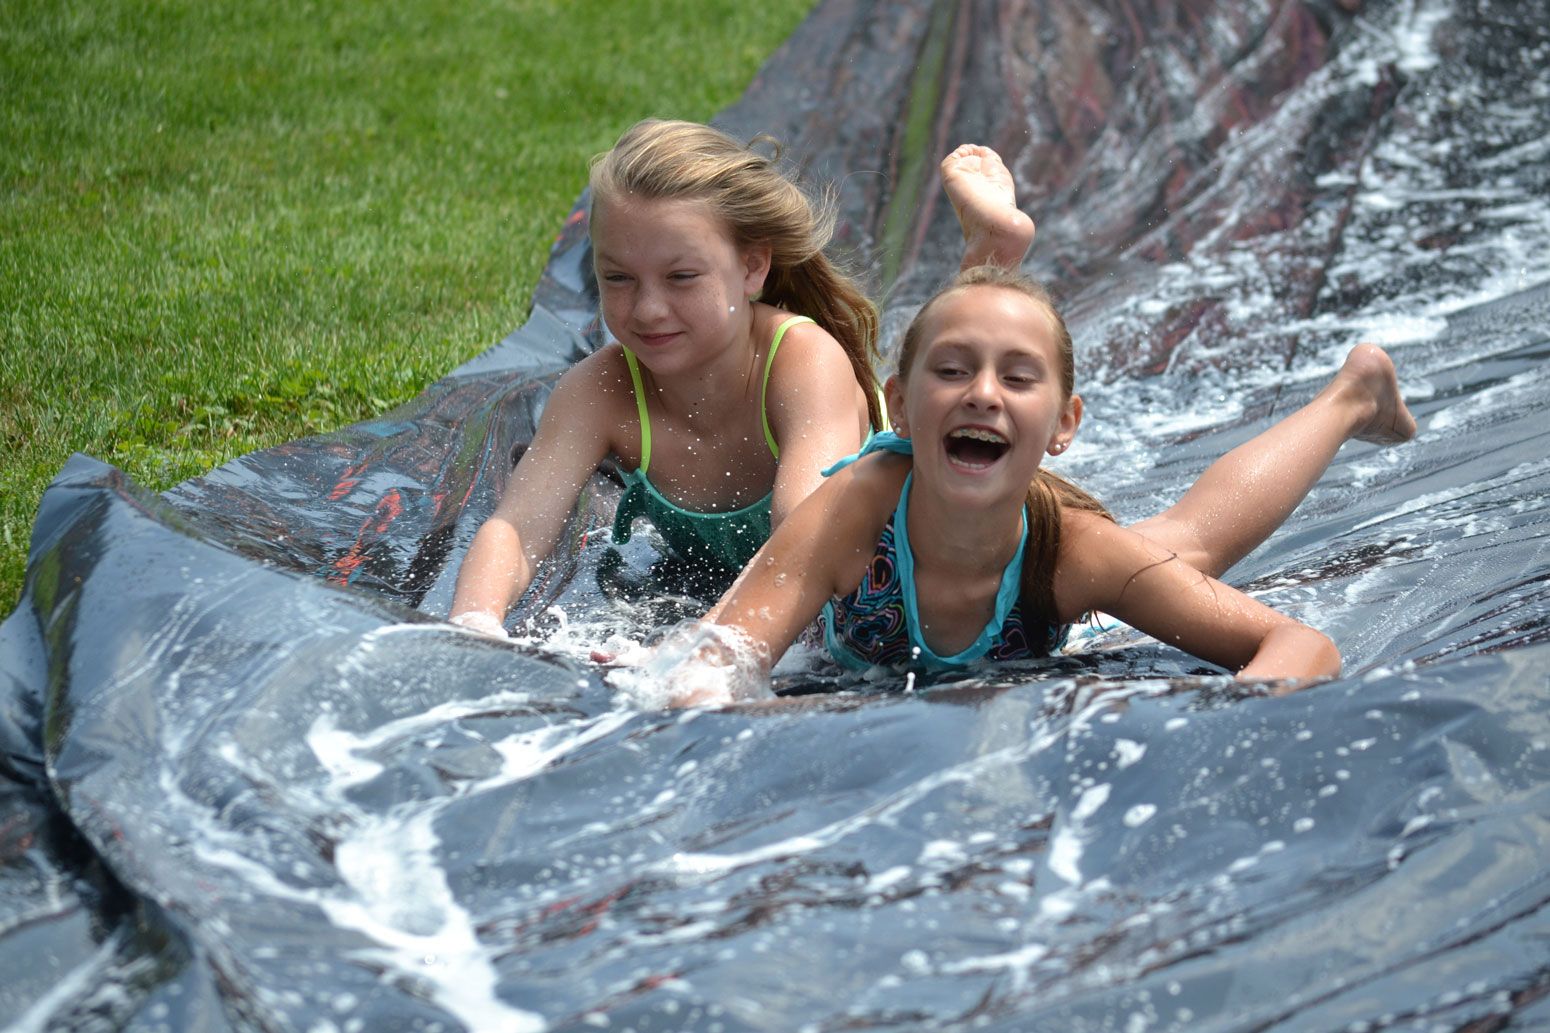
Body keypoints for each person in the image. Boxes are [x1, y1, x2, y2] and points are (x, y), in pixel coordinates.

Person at [673, 264, 1415, 704]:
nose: (984, 394)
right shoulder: (855, 512)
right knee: (1170, 550)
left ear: (1064, 424)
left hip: (1046, 546)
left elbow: (1300, 642)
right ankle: (989, 260)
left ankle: (1354, 392)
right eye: (953, 370)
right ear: (897, 403)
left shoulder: (1074, 554)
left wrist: (1232, 718)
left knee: (1187, 545)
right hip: (853, 574)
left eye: (1017, 378)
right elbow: (716, 662)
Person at [449, 119, 886, 634]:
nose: (649, 309)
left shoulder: (804, 362)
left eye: (681, 277)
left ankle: (988, 248)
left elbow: (803, 543)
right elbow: (517, 530)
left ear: (752, 267)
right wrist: (472, 627)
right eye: (618, 278)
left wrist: (699, 649)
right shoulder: (603, 390)